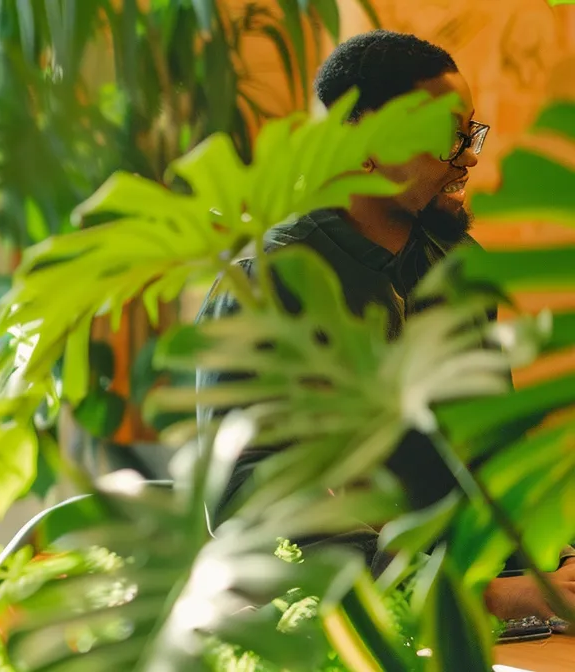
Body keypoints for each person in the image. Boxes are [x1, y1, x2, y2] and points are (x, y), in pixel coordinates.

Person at [196, 30, 574, 621]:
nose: (468, 156)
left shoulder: (454, 269)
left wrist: (552, 560)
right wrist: (483, 595)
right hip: (325, 637)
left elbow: (482, 465)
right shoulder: (265, 289)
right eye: (449, 136)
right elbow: (263, 526)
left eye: (469, 132)